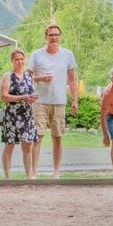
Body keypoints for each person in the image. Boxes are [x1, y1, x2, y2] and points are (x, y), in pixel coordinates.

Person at [27, 24, 78, 178]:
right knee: (38, 137)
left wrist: (75, 100)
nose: (54, 37)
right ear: (46, 37)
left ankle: (56, 172)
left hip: (59, 101)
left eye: (56, 35)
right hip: (40, 101)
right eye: (51, 35)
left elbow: (73, 79)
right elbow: (27, 77)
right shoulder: (37, 55)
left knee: (57, 137)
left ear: (60, 37)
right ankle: (33, 173)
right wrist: (41, 78)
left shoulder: (68, 55)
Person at [0, 48, 39, 179]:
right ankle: (7, 177)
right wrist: (22, 97)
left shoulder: (29, 76)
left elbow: (31, 93)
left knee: (28, 145)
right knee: (10, 144)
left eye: (22, 59)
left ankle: (29, 176)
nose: (19, 62)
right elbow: (4, 96)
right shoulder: (8, 76)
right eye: (17, 59)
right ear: (12, 60)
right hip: (12, 115)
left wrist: (32, 97)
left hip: (27, 114)